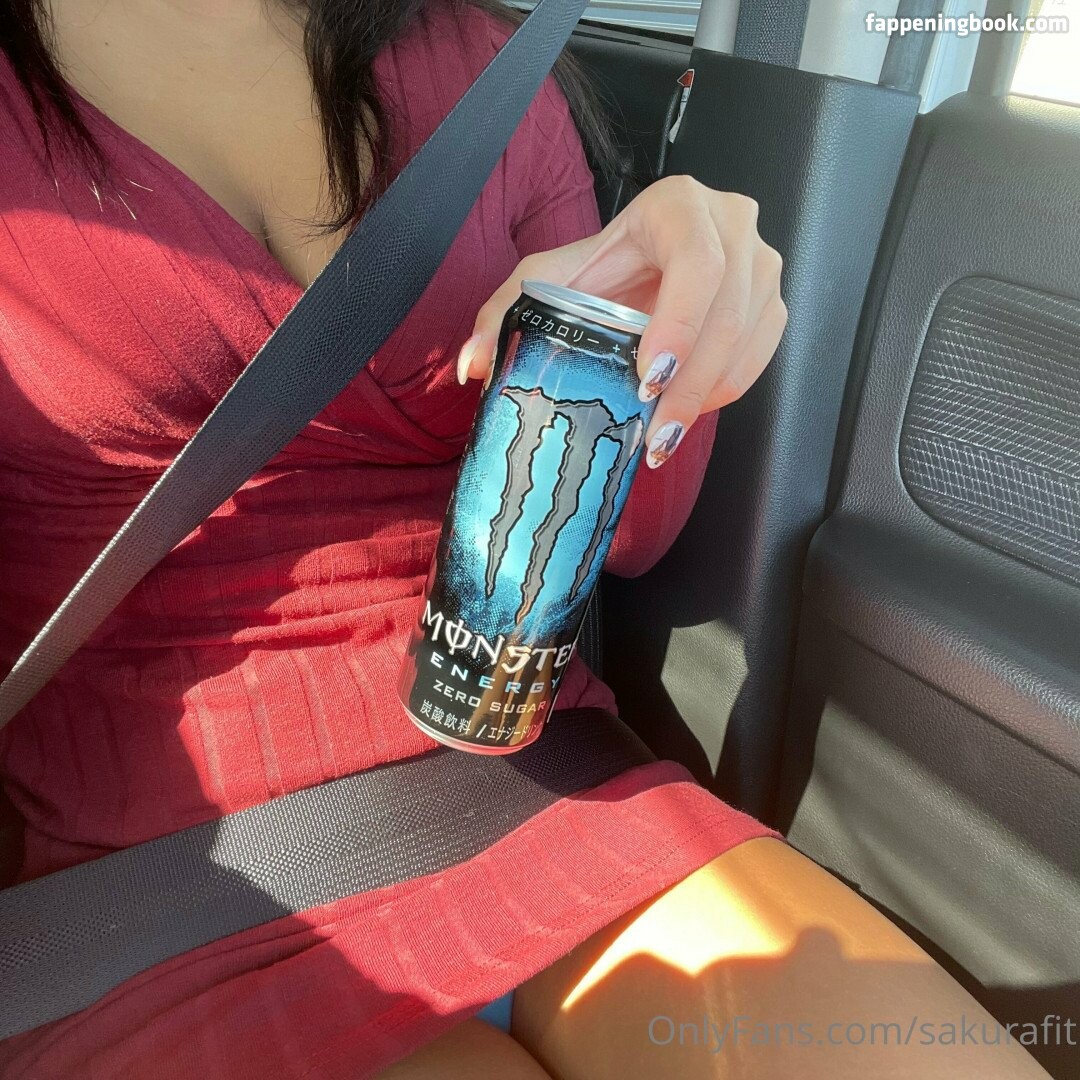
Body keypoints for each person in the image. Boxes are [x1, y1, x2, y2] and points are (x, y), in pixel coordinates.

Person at [0, 1, 1049, 1077]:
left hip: (540, 779)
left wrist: (667, 329)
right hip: (163, 881)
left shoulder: (487, 65)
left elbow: (627, 540)